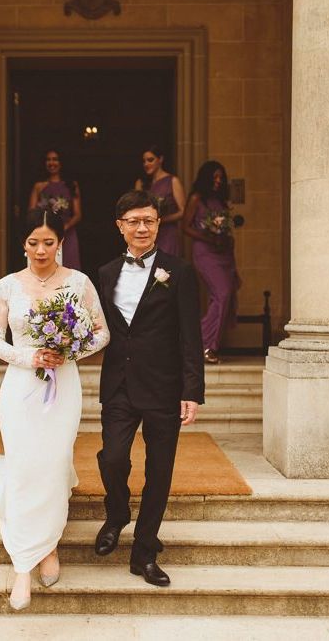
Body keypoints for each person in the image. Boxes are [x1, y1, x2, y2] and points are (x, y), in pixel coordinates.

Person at [0, 209, 109, 610]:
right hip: (20, 387)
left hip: (63, 385)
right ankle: (22, 564)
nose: (40, 250)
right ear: (23, 243)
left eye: (48, 242)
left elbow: (102, 332)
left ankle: (48, 546)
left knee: (52, 464)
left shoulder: (78, 283)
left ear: (61, 242)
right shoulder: (7, 285)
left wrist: (69, 351)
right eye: (33, 242)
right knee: (23, 467)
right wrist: (29, 357)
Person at [95, 190, 204, 586]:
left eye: (150, 221)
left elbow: (190, 336)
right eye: (134, 221)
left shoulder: (180, 272)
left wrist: (192, 390)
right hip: (119, 385)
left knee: (159, 471)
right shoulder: (105, 273)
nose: (142, 228)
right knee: (112, 458)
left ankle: (144, 552)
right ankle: (118, 512)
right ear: (120, 226)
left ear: (158, 224)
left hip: (164, 387)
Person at [182, 161, 240, 364]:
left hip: (224, 254)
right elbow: (185, 227)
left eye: (221, 178)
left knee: (224, 297)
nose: (218, 181)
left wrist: (225, 237)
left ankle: (208, 346)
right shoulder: (197, 199)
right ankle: (203, 344)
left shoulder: (222, 203)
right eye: (214, 177)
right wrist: (208, 237)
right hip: (205, 253)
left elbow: (226, 229)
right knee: (221, 294)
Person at [29, 149, 82, 270]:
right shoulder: (39, 186)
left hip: (67, 234)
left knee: (69, 269)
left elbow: (78, 214)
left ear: (61, 162)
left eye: (55, 159)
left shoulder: (71, 185)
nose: (51, 163)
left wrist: (64, 227)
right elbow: (31, 212)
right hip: (45, 233)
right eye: (48, 160)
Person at [134, 145, 185, 256]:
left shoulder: (172, 181)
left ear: (160, 159)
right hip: (146, 233)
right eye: (144, 161)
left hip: (168, 234)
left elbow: (183, 211)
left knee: (166, 268)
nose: (146, 164)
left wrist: (162, 220)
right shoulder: (141, 183)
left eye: (150, 160)